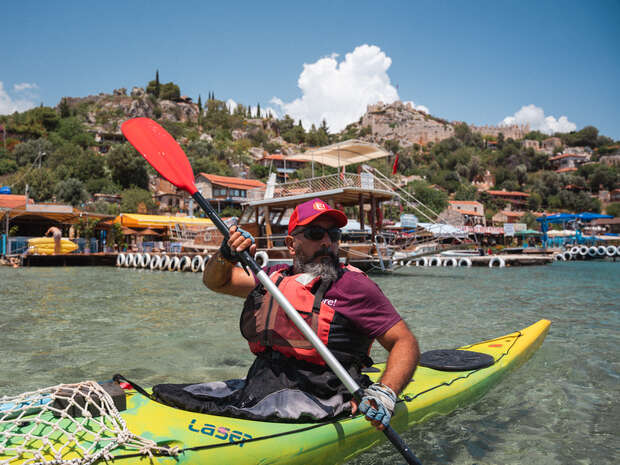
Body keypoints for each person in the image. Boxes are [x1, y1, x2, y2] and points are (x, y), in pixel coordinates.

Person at [201, 198, 419, 430]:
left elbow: (404, 341)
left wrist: (386, 392)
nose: (327, 242)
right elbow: (217, 282)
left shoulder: (355, 287)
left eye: (333, 235)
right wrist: (226, 255)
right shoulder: (272, 278)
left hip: (326, 394)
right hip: (262, 386)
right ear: (291, 244)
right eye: (315, 233)